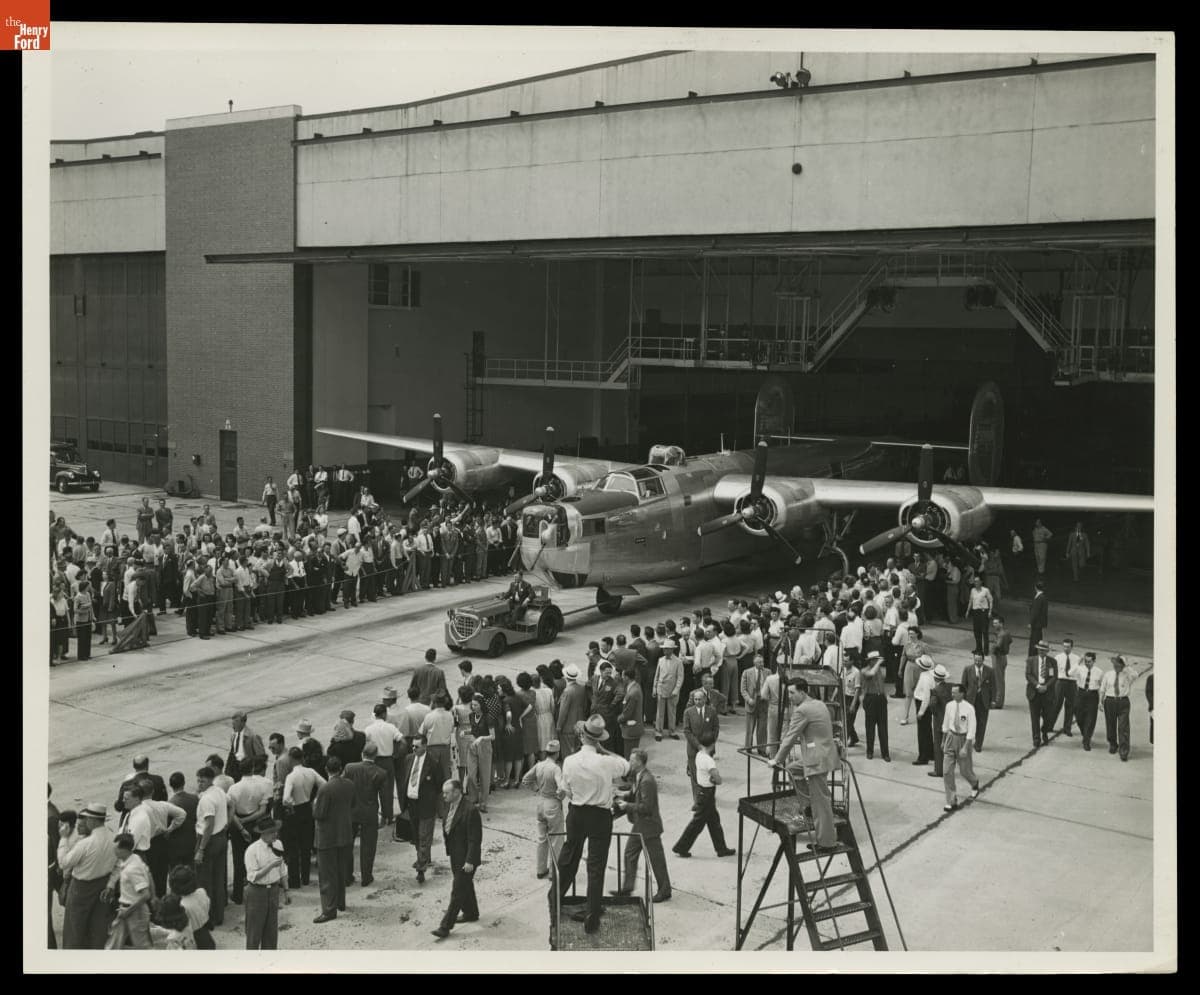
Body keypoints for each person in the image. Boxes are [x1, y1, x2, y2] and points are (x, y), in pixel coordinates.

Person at [554, 714, 631, 934]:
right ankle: (592, 913)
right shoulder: (607, 762)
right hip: (600, 816)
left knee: (569, 857)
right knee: (596, 867)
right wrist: (603, 750)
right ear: (599, 739)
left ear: (582, 737)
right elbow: (626, 767)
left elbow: (566, 790)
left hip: (577, 812)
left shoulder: (569, 761)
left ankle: (556, 898)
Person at [771, 678, 840, 851]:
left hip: (816, 760)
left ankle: (826, 842)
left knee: (821, 802)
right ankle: (807, 805)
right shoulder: (819, 704)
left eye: (792, 693)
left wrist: (777, 759)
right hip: (824, 754)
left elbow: (790, 737)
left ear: (802, 692)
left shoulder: (802, 710)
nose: (790, 696)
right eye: (788, 693)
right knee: (793, 769)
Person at [612, 748, 672, 903]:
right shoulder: (639, 776)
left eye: (632, 760)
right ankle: (627, 889)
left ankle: (664, 890)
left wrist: (627, 806)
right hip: (641, 824)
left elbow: (646, 807)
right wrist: (622, 795)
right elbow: (634, 793)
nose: (629, 762)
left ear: (639, 762)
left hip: (649, 826)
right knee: (629, 854)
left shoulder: (647, 781)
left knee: (656, 860)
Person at [59, 803, 117, 949]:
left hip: (81, 887)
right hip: (103, 884)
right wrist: (110, 884)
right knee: (98, 927)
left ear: (92, 821)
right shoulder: (114, 838)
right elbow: (119, 865)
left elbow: (64, 863)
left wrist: (64, 839)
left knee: (74, 927)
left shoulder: (85, 843)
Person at [431, 780, 483, 939]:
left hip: (467, 858)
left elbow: (475, 839)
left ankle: (445, 926)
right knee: (465, 885)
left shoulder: (470, 810)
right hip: (455, 854)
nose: (444, 795)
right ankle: (471, 913)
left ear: (457, 792)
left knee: (457, 891)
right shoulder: (450, 805)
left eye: (447, 793)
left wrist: (470, 861)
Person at [673, 731, 736, 858]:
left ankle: (721, 849)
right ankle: (681, 847)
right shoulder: (709, 761)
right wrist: (715, 778)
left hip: (702, 791)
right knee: (697, 824)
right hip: (707, 794)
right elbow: (718, 780)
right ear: (712, 745)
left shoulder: (699, 755)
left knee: (714, 823)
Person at [312, 755, 356, 923]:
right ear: (341, 769)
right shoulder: (350, 785)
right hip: (344, 834)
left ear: (326, 770)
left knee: (327, 876)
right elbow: (353, 804)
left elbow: (319, 814)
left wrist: (314, 805)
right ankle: (340, 903)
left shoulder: (325, 789)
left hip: (327, 838)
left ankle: (329, 910)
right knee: (340, 871)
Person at [399, 735, 446, 884]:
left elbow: (440, 783)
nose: (414, 749)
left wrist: (432, 798)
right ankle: (424, 857)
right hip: (411, 805)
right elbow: (404, 779)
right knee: (417, 837)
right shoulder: (408, 759)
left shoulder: (433, 762)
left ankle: (421, 868)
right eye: (413, 746)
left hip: (426, 804)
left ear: (425, 746)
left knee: (424, 836)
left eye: (417, 746)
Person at [521, 740, 566, 880]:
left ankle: (541, 869)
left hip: (540, 802)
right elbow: (561, 788)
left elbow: (525, 780)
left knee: (542, 839)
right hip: (552, 804)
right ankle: (554, 872)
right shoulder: (556, 768)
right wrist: (560, 796)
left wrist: (536, 789)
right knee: (556, 840)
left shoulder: (539, 765)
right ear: (557, 753)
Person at [344, 742, 387, 887]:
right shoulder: (381, 772)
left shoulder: (350, 767)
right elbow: (384, 796)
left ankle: (347, 876)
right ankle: (366, 876)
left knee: (347, 845)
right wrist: (386, 815)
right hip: (370, 812)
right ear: (376, 756)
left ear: (362, 754)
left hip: (352, 811)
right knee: (368, 846)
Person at [243, 817, 289, 950]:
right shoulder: (252, 850)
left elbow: (283, 869)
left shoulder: (278, 844)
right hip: (257, 892)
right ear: (262, 834)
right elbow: (253, 876)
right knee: (254, 932)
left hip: (273, 891)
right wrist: (270, 866)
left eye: (276, 831)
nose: (275, 834)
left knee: (271, 932)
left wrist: (286, 891)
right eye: (271, 832)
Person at [281, 747, 324, 889]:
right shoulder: (310, 771)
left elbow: (286, 799)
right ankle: (305, 877)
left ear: (292, 759)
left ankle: (295, 881)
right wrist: (316, 799)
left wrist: (291, 805)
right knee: (306, 846)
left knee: (293, 847)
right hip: (307, 807)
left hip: (296, 810)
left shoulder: (291, 776)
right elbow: (324, 784)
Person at [193, 766, 229, 926]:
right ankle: (219, 915)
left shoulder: (206, 800)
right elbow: (231, 804)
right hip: (221, 837)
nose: (199, 783)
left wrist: (201, 849)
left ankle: (208, 918)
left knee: (205, 881)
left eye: (202, 780)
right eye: (198, 780)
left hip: (208, 840)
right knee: (218, 878)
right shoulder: (219, 791)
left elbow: (209, 824)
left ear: (210, 780)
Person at [108, 833, 153, 949]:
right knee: (113, 944)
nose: (114, 850)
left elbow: (145, 895)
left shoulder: (132, 869)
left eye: (116, 848)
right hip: (126, 909)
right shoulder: (134, 858)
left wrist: (128, 911)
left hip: (134, 911)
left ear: (124, 850)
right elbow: (149, 875)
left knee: (142, 947)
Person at [941, 684, 981, 812]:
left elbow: (972, 729)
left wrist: (965, 747)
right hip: (951, 737)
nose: (952, 695)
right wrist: (943, 741)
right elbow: (946, 724)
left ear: (962, 694)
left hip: (964, 740)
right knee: (947, 771)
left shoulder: (969, 708)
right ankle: (951, 801)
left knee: (965, 770)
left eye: (955, 692)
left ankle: (974, 783)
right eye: (952, 692)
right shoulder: (949, 706)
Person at [1100, 656, 1147, 762]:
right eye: (1115, 665)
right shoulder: (1108, 674)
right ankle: (1113, 744)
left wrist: (1127, 667)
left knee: (1123, 728)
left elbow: (1136, 675)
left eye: (1119, 666)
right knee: (1110, 725)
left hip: (1123, 702)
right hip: (1110, 701)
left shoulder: (1127, 675)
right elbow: (1103, 688)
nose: (1117, 667)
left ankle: (1124, 751)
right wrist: (1100, 701)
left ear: (1122, 666)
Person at [682, 688, 720, 804]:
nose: (697, 701)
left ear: (704, 699)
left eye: (699, 699)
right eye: (695, 699)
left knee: (707, 774)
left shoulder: (711, 711)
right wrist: (698, 746)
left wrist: (710, 743)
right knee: (695, 776)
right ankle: (697, 800)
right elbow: (687, 731)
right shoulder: (688, 712)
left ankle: (708, 797)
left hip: (708, 749)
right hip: (693, 749)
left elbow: (716, 728)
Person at [1025, 641, 1059, 748]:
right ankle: (1036, 738)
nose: (1041, 651)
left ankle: (1044, 731)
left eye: (1044, 650)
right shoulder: (1031, 660)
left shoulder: (1052, 662)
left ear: (1047, 651)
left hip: (1047, 693)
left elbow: (1054, 677)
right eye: (1040, 649)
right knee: (1034, 717)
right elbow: (1028, 675)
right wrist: (1037, 685)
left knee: (1048, 716)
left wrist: (1046, 686)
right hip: (1034, 692)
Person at [860, 651, 891, 762]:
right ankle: (870, 751)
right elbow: (870, 674)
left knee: (883, 727)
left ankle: (885, 753)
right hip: (870, 698)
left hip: (881, 698)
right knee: (870, 727)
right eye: (875, 660)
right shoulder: (864, 671)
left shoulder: (880, 670)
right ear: (871, 661)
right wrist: (878, 664)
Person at [962, 652, 995, 751]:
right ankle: (967, 743)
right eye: (975, 660)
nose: (977, 662)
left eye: (979, 660)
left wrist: (993, 700)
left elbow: (993, 686)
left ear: (983, 660)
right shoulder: (968, 669)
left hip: (983, 700)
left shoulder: (990, 671)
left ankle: (978, 744)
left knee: (982, 723)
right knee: (968, 722)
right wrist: (962, 699)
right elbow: (963, 685)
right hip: (970, 700)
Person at [654, 640, 685, 742]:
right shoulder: (660, 660)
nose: (664, 650)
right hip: (661, 689)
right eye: (664, 649)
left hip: (672, 691)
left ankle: (672, 731)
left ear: (672, 649)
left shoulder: (678, 661)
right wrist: (654, 688)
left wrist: (676, 690)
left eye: (667, 649)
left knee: (671, 712)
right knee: (660, 712)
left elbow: (680, 677)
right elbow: (657, 675)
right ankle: (658, 731)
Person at [740, 652, 769, 756]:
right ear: (754, 663)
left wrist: (767, 697)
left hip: (763, 703)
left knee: (762, 728)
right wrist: (749, 700)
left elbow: (771, 688)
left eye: (762, 662)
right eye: (759, 662)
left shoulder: (768, 672)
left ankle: (762, 749)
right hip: (752, 702)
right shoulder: (747, 673)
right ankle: (748, 747)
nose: (761, 664)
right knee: (750, 727)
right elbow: (743, 690)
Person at [1052, 639, 1083, 736]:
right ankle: (1049, 725)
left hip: (1072, 683)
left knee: (1071, 706)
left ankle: (1067, 728)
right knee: (1056, 704)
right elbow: (1053, 670)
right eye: (1064, 646)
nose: (1066, 648)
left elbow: (1079, 672)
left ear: (1072, 647)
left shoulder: (1077, 659)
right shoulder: (1058, 657)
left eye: (1068, 647)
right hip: (1060, 681)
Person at [1075, 651, 1104, 751]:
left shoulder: (1099, 672)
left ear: (1094, 661)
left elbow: (1102, 687)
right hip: (1081, 694)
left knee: (1090, 719)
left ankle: (1086, 741)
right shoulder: (1080, 668)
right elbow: (1069, 673)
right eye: (1086, 661)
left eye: (1089, 661)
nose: (1087, 663)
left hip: (1092, 695)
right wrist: (1079, 661)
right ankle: (1085, 734)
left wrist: (1101, 701)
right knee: (1079, 717)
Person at [619, 665, 645, 757]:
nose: (621, 678)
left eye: (622, 676)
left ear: (626, 677)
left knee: (629, 756)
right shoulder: (636, 686)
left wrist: (618, 719)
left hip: (631, 729)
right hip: (633, 728)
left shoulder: (632, 693)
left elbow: (627, 714)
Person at [967, 576, 993, 655]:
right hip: (976, 612)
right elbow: (971, 601)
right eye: (975, 581)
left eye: (977, 581)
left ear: (981, 582)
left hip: (983, 612)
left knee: (984, 632)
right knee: (976, 631)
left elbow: (991, 600)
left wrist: (990, 611)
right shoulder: (973, 590)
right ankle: (978, 649)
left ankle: (986, 650)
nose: (976, 583)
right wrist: (968, 611)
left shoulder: (985, 590)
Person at [990, 616, 1012, 709]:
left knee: (998, 681)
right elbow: (1010, 641)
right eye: (993, 623)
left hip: (998, 657)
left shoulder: (1001, 635)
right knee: (1000, 679)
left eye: (996, 623)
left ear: (1001, 623)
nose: (994, 625)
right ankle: (999, 701)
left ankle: (998, 703)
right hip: (1004, 657)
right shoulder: (1007, 633)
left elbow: (997, 646)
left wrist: (993, 649)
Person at [1028, 580, 1049, 653]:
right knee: (1037, 638)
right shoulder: (1043, 597)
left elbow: (1035, 612)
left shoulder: (1039, 597)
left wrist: (1031, 622)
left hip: (1037, 623)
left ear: (1035, 588)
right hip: (1040, 623)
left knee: (1034, 639)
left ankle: (1033, 654)